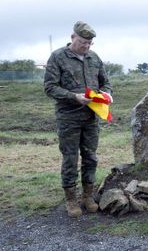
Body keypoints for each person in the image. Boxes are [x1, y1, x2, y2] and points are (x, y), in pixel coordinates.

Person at [44, 21, 113, 218]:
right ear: (73, 37)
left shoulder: (94, 57)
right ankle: (71, 199)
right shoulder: (57, 57)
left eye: (89, 43)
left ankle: (88, 197)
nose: (86, 46)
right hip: (69, 117)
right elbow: (49, 87)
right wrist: (74, 96)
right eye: (82, 42)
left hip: (92, 116)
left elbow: (105, 82)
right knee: (70, 158)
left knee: (90, 156)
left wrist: (107, 94)